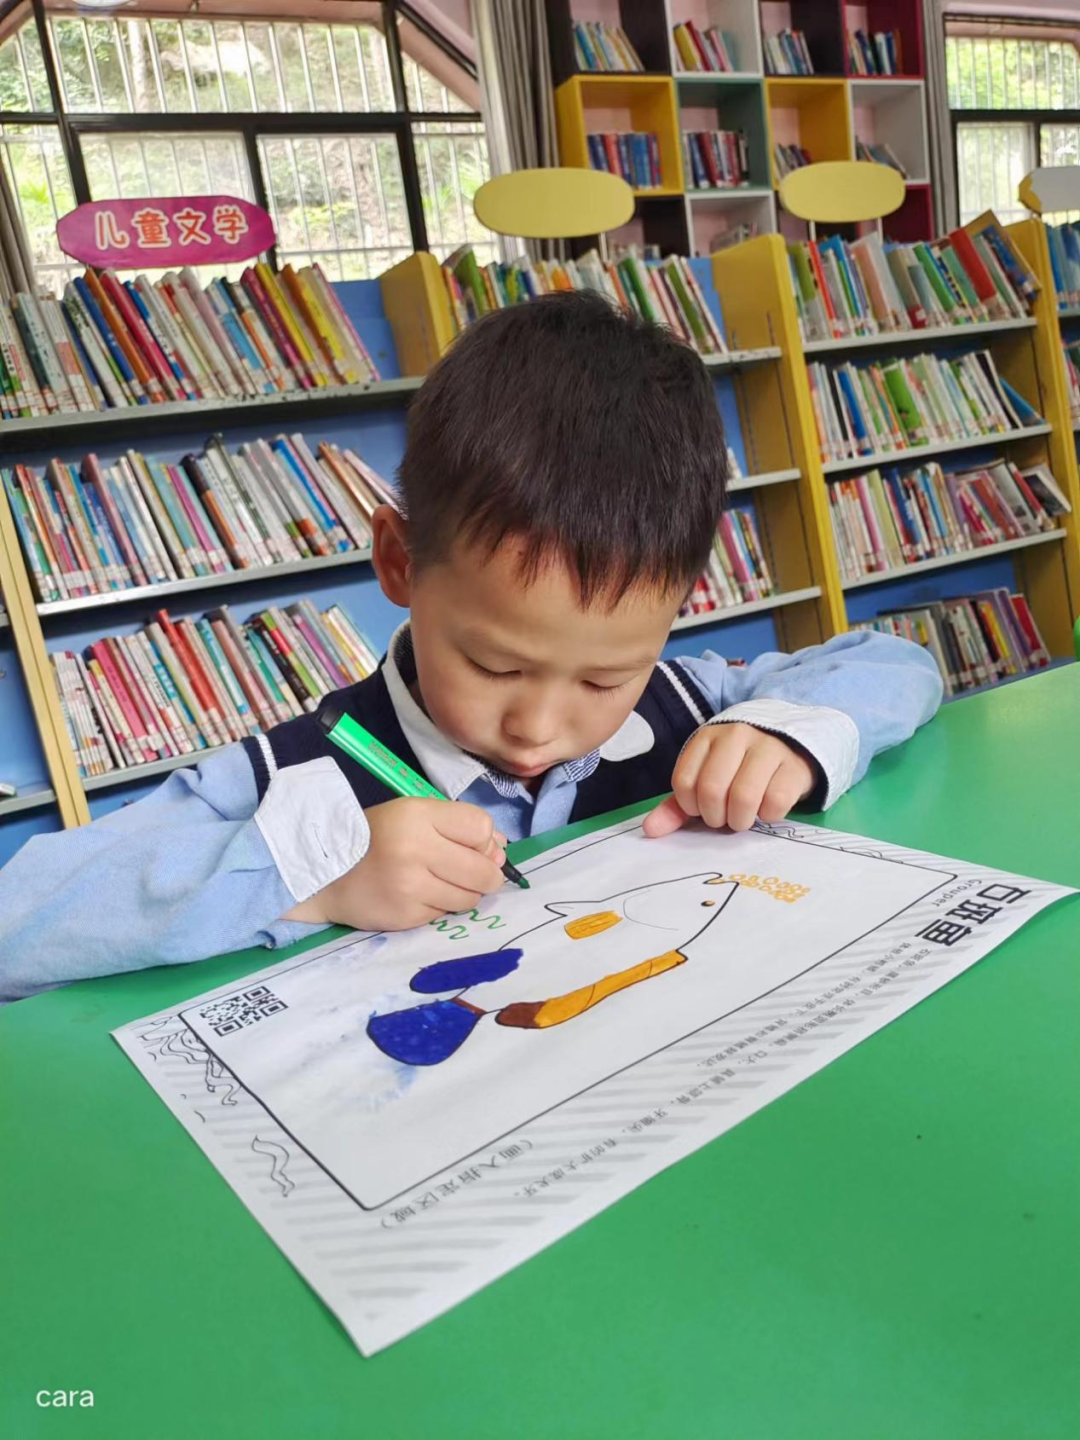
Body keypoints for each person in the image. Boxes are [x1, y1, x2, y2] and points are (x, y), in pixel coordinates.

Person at [0, 291, 942, 1001]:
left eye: (606, 677)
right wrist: (312, 873)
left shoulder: (687, 701)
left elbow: (899, 664)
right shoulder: (298, 777)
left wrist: (789, 735)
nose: (538, 726)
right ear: (399, 562)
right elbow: (17, 922)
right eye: (494, 665)